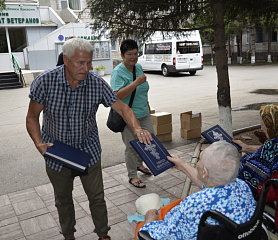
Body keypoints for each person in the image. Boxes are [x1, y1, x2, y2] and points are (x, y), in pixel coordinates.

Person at [26, 38, 152, 240]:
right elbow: (32, 117)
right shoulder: (45, 81)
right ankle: (69, 236)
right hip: (57, 153)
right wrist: (39, 144)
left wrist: (137, 128)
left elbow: (123, 108)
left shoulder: (96, 84)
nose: (87, 68)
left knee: (97, 197)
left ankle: (103, 235)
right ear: (66, 60)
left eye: (89, 63)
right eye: (80, 63)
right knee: (63, 200)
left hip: (89, 152)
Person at [135, 141, 256, 240]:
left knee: (140, 230)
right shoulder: (242, 186)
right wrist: (182, 165)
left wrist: (149, 220)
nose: (197, 163)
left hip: (180, 231)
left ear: (204, 172)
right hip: (235, 235)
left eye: (199, 160)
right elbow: (210, 185)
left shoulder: (194, 204)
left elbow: (160, 236)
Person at [110, 39, 154, 188]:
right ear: (122, 55)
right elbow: (116, 96)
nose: (133, 57)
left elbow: (143, 91)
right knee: (132, 146)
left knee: (148, 140)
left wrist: (148, 106)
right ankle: (132, 176)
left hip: (144, 112)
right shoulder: (118, 72)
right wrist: (135, 83)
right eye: (129, 54)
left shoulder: (138, 67)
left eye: (135, 53)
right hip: (128, 116)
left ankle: (139, 164)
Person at [234, 103, 278, 194]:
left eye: (263, 124)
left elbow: (247, 180)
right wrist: (248, 148)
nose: (261, 128)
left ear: (271, 126)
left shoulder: (271, 147)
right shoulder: (273, 146)